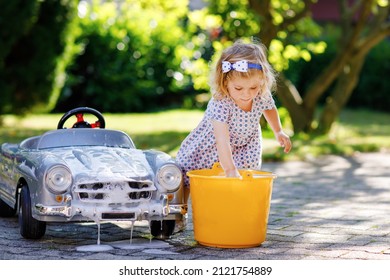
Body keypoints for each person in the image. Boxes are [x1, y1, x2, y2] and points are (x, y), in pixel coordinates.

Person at [176, 40, 292, 200]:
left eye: (253, 87)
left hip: (245, 143)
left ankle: (233, 203)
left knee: (243, 175)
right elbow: (222, 140)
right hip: (212, 145)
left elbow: (270, 109)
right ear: (225, 82)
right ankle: (180, 208)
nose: (247, 94)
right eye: (239, 88)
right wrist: (229, 169)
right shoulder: (221, 103)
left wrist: (278, 131)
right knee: (188, 179)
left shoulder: (261, 95)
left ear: (262, 81)